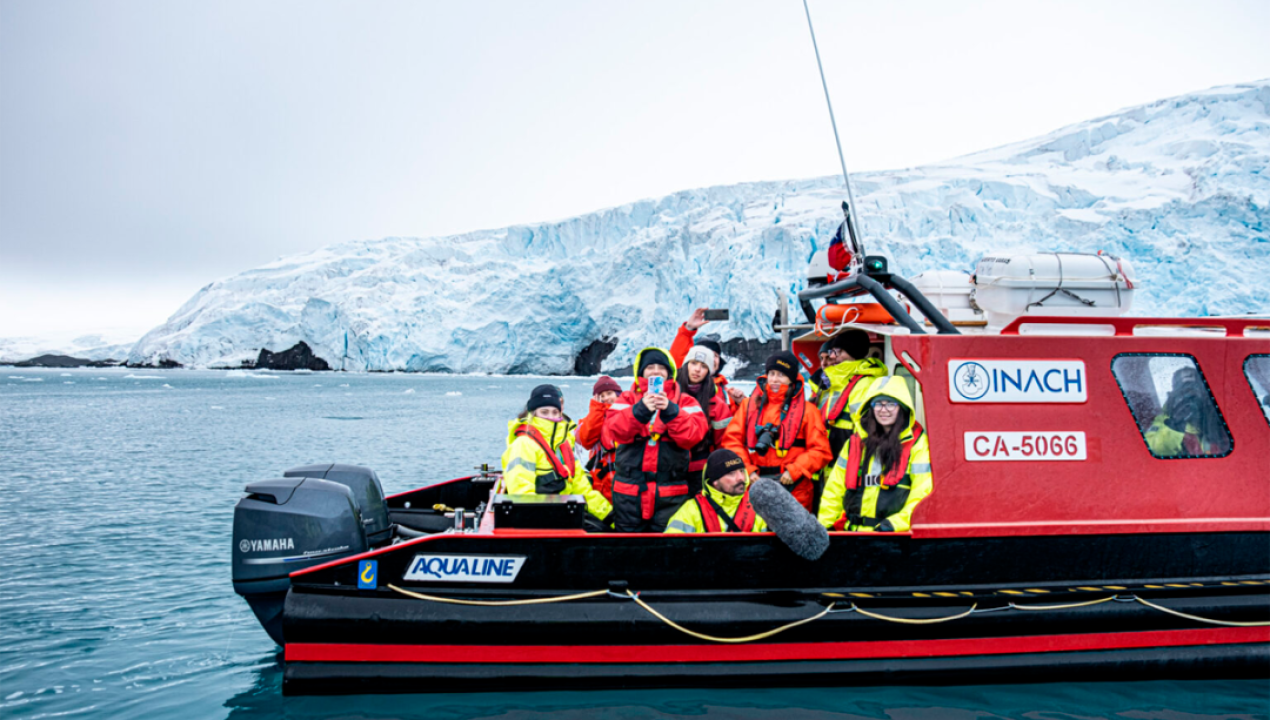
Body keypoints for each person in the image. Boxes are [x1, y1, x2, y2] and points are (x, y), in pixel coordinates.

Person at [603, 347, 709, 532]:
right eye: (650, 367)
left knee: (667, 547)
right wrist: (640, 410)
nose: (656, 371)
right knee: (628, 547)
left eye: (661, 367)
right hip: (629, 492)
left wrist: (671, 411)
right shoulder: (626, 399)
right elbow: (614, 431)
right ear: (641, 372)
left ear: (669, 373)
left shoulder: (685, 402)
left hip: (671, 492)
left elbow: (694, 435)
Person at [721, 351, 832, 512]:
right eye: (771, 373)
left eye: (781, 374)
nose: (774, 379)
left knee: (794, 534)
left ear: (791, 379)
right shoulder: (747, 407)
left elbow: (821, 451)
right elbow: (731, 442)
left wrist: (794, 470)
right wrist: (747, 471)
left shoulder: (808, 411)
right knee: (756, 534)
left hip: (795, 488)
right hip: (755, 484)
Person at [818, 376, 931, 532]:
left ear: (903, 407)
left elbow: (922, 494)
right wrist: (824, 527)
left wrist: (894, 524)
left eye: (890, 404)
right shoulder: (854, 443)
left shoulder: (918, 444)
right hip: (851, 535)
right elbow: (834, 489)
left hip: (892, 538)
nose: (883, 410)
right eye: (878, 404)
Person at [501, 384, 612, 524]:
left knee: (603, 529)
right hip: (541, 522)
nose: (550, 417)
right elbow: (522, 494)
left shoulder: (563, 446)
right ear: (533, 413)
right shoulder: (524, 445)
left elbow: (582, 489)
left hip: (564, 514)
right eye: (544, 412)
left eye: (555, 412)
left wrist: (610, 517)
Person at [808, 329, 888, 462]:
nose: (832, 356)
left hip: (848, 464)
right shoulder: (832, 381)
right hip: (825, 462)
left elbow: (868, 434)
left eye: (838, 351)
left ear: (853, 353)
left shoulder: (865, 384)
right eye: (832, 351)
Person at [664, 449, 769, 534]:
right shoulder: (691, 511)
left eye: (742, 471)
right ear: (715, 481)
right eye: (731, 473)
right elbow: (671, 550)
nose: (741, 478)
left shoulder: (759, 508)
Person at [678, 345, 735, 493]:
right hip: (670, 470)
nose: (697, 369)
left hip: (701, 473)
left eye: (703, 366)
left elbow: (724, 443)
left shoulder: (717, 405)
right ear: (685, 365)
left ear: (709, 372)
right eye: (694, 363)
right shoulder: (669, 395)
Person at [1144, 367, 1230, 457]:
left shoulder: (1218, 417)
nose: (1189, 397)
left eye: (1193, 389)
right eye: (1183, 391)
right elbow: (1153, 450)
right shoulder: (1164, 420)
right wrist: (1175, 426)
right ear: (1174, 394)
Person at [669, 308, 746, 407]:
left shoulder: (726, 393)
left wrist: (740, 403)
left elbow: (733, 420)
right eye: (706, 355)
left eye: (715, 356)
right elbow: (677, 357)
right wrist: (688, 330)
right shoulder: (684, 383)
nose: (711, 359)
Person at [575, 375, 622, 500]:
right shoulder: (591, 419)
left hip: (624, 475)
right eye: (601, 396)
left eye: (609, 393)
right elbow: (586, 440)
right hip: (601, 480)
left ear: (618, 394)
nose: (606, 398)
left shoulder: (630, 413)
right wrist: (597, 410)